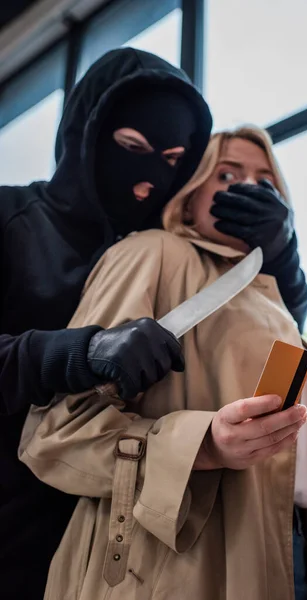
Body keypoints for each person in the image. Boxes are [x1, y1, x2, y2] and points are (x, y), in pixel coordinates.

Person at [20, 126, 307, 599]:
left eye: (266, 183)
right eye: (226, 174)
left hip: (281, 551)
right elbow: (57, 432)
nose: (248, 189)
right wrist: (203, 446)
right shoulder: (155, 253)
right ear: (189, 198)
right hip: (169, 565)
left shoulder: (274, 301)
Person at [0, 47, 213, 600]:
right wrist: (81, 351)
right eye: (131, 149)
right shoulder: (8, 220)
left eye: (171, 160)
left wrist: (280, 251)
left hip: (93, 549)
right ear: (84, 134)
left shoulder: (153, 255)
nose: (148, 182)